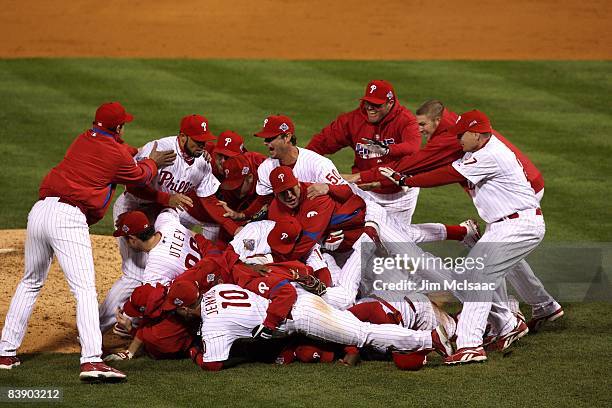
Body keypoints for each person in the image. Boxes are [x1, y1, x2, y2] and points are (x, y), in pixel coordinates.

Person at [0, 102, 175, 381]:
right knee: (84, 290)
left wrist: (138, 153)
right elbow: (141, 175)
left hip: (39, 212)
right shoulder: (116, 154)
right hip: (68, 218)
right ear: (118, 127)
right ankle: (92, 360)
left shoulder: (84, 138)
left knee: (30, 282)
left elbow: (121, 152)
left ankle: (5, 353)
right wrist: (152, 162)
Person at [355, 100, 562, 332]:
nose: (419, 129)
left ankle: (502, 320)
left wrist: (394, 178)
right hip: (522, 191)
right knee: (500, 253)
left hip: (521, 194)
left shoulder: (455, 138)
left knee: (489, 260)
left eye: (422, 124)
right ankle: (542, 306)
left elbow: (425, 166)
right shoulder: (461, 130)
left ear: (436, 120)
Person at [380, 110, 545, 364]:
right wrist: (407, 177)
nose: (458, 140)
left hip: (519, 225)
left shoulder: (491, 154)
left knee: (478, 276)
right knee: (476, 275)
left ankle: (471, 344)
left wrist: (407, 180)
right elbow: (445, 168)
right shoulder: (480, 150)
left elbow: (448, 174)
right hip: (506, 225)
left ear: (477, 134)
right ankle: (507, 325)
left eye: (461, 135)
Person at [100, 114, 240, 333]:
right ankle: (94, 330)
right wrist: (166, 199)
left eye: (204, 141)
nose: (202, 146)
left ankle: (133, 322)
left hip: (162, 214)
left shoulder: (203, 162)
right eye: (197, 141)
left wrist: (236, 229)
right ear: (182, 136)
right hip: (133, 211)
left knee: (159, 270)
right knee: (135, 275)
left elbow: (209, 201)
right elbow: (132, 185)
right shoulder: (160, 148)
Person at [306, 80, 422, 224]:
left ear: (390, 103)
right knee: (359, 239)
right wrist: (302, 164)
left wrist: (387, 150)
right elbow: (321, 143)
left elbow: (413, 147)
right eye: (368, 103)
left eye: (377, 105)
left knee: (396, 242)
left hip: (399, 196)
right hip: (364, 191)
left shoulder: (405, 120)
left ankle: (452, 232)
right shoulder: (352, 120)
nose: (370, 108)